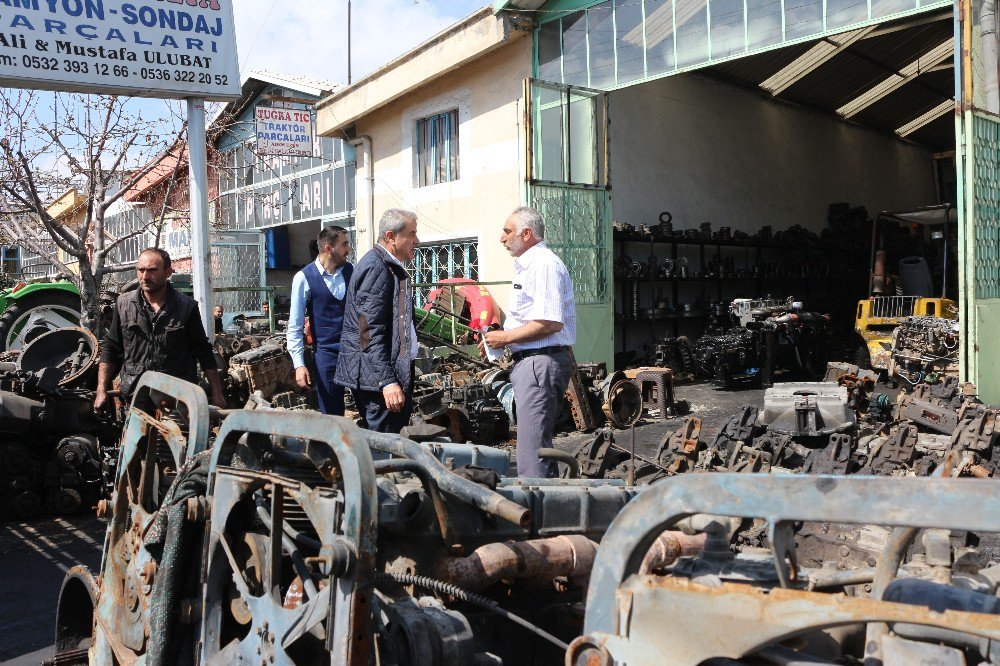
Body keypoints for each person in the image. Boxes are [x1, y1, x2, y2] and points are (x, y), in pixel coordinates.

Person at [483, 207, 576, 477]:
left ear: (527, 233)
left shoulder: (543, 265)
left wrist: (507, 337)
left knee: (531, 452)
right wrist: (500, 337)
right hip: (534, 361)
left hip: (539, 361)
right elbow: (533, 317)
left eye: (507, 231)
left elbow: (550, 322)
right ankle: (551, 505)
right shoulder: (532, 264)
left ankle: (536, 512)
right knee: (536, 446)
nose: (502, 238)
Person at [95, 247, 226, 411]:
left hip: (177, 395)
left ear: (168, 272)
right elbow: (111, 347)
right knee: (137, 436)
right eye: (141, 270)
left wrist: (217, 393)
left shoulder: (186, 307)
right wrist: (101, 390)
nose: (145, 276)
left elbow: (203, 350)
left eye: (152, 271)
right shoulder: (123, 304)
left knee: (179, 436)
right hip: (136, 394)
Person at [335, 209, 420, 433]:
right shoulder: (376, 267)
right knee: (383, 448)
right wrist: (387, 382)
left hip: (381, 375)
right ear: (391, 237)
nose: (417, 241)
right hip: (378, 381)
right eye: (411, 235)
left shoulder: (386, 265)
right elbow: (367, 333)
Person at [287, 225, 353, 415]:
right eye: (344, 244)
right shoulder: (304, 278)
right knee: (332, 416)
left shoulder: (351, 271)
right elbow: (295, 325)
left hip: (354, 353)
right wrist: (299, 365)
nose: (348, 249)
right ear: (328, 248)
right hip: (326, 356)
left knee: (368, 409)